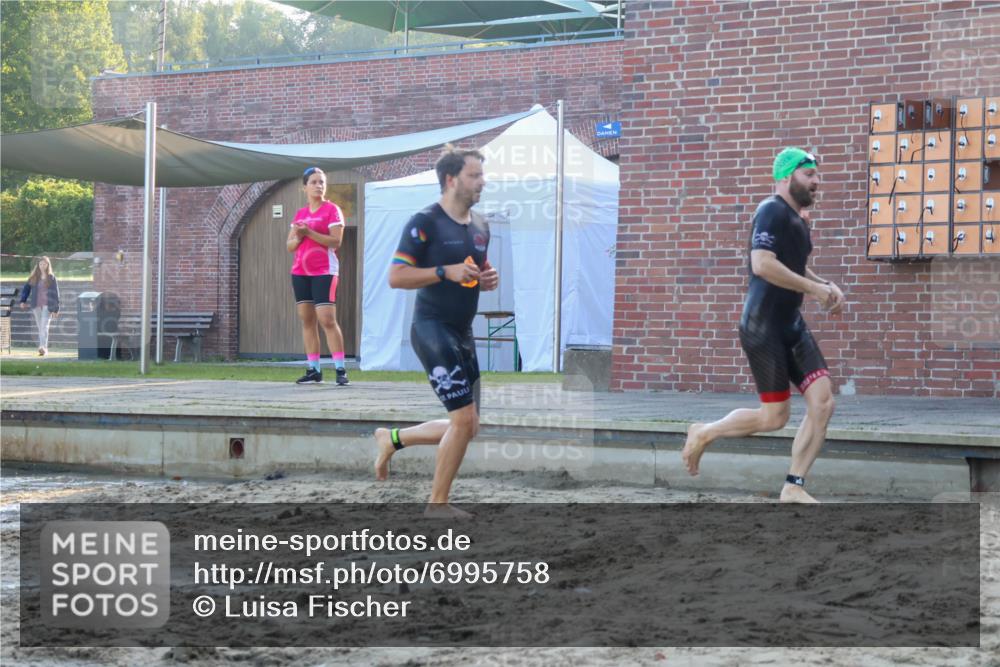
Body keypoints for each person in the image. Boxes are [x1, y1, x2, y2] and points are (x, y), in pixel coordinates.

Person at [681, 147, 845, 503]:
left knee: (823, 402)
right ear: (786, 176)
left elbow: (793, 265)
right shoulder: (771, 211)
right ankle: (704, 431)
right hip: (763, 326)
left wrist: (825, 286)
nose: (817, 182)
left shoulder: (797, 219)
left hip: (790, 323)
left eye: (817, 175)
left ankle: (793, 486)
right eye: (809, 175)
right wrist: (814, 289)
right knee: (774, 418)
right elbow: (762, 264)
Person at [373, 146, 499, 518]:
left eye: (481, 175)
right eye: (475, 175)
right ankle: (437, 505)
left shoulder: (481, 225)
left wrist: (487, 278)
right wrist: (445, 271)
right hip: (431, 328)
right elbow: (396, 277)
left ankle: (392, 439)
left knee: (469, 425)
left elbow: (477, 268)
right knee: (462, 421)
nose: (482, 182)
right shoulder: (424, 222)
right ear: (451, 179)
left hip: (463, 332)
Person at [287, 167, 349, 385]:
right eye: (313, 182)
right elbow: (290, 245)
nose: (318, 185)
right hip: (300, 272)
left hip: (324, 272)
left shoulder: (333, 210)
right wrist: (299, 237)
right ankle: (314, 369)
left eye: (321, 182)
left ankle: (341, 370)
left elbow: (336, 241)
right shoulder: (300, 214)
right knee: (307, 320)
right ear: (304, 187)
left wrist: (308, 233)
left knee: (327, 320)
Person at [19, 256, 60, 356]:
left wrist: (56, 309)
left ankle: (43, 348)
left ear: (48, 265)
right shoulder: (34, 277)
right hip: (36, 306)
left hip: (48, 306)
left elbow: (56, 293)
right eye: (41, 264)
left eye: (45, 264)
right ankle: (42, 347)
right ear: (38, 265)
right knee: (40, 327)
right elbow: (26, 290)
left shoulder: (51, 277)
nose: (42, 266)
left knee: (44, 326)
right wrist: (22, 301)